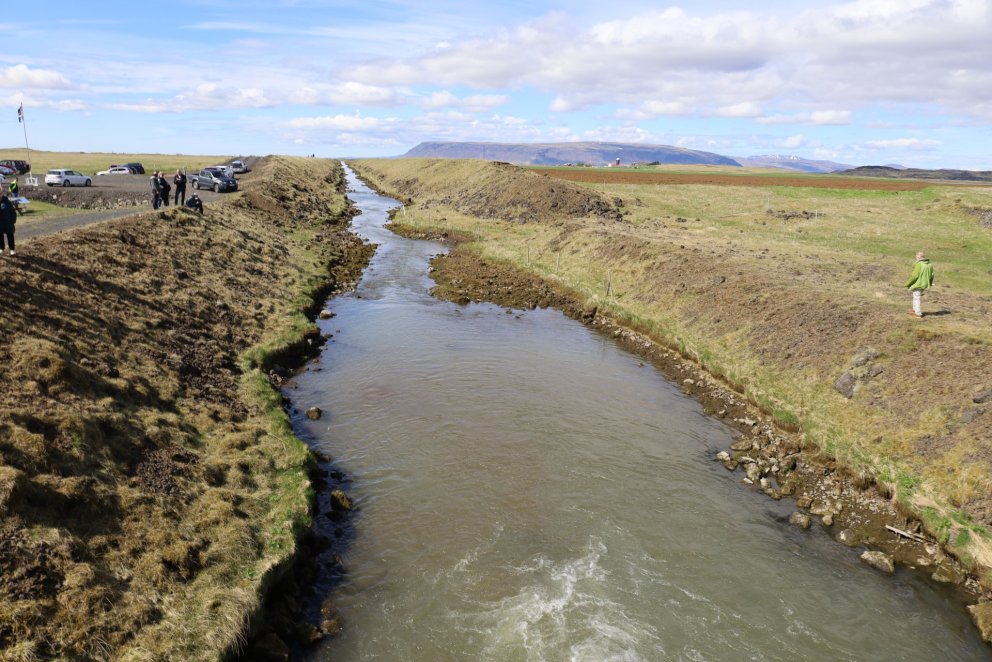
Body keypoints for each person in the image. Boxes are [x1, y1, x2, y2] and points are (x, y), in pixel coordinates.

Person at [905, 251, 934, 318]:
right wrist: (930, 283)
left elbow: (914, 276)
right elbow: (932, 275)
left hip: (918, 284)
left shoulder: (919, 264)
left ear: (919, 257)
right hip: (924, 284)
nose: (916, 258)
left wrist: (907, 283)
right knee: (916, 296)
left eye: (917, 257)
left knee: (916, 298)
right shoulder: (930, 265)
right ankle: (914, 310)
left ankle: (918, 313)